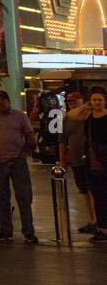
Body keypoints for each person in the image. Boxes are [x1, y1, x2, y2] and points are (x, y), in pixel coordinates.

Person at [0, 90, 39, 243]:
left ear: (9, 101)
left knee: (24, 197)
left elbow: (30, 135)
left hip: (17, 162)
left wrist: (24, 152)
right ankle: (6, 230)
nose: (1, 103)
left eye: (4, 100)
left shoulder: (20, 116)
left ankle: (28, 231)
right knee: (1, 197)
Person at [61, 91, 97, 233]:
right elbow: (62, 141)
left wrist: (89, 105)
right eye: (69, 102)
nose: (72, 104)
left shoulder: (92, 115)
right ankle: (93, 219)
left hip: (93, 160)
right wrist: (63, 161)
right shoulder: (68, 118)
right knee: (85, 191)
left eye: (75, 101)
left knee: (96, 190)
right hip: (77, 160)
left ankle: (99, 221)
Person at [81, 87, 107, 243]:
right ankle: (102, 228)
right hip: (94, 162)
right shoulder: (89, 118)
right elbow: (72, 115)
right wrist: (85, 107)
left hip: (103, 161)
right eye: (94, 100)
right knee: (98, 195)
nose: (97, 102)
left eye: (100, 100)